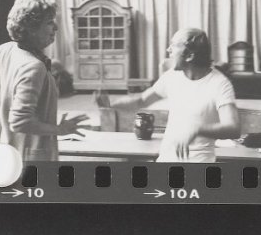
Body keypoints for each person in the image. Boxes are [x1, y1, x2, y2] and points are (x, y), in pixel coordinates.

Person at [95, 28, 241, 162]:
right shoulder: (171, 76)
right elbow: (141, 100)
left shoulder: (220, 84)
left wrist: (197, 129)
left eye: (174, 45)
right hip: (166, 159)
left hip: (199, 165)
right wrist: (110, 105)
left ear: (190, 55)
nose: (168, 49)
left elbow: (233, 128)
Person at [0, 0, 92, 163]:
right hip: (28, 155)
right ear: (31, 29)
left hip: (4, 146)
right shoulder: (34, 67)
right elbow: (19, 122)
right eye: (49, 22)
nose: (55, 27)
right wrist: (60, 130)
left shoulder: (9, 49)